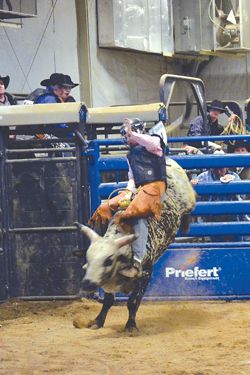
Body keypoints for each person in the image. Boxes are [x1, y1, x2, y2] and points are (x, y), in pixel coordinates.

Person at [89, 118, 167, 277]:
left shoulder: (154, 143)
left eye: (128, 135)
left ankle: (138, 260)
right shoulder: (130, 155)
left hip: (155, 187)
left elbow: (152, 143)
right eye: (125, 135)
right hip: (139, 189)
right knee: (104, 209)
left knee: (137, 215)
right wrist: (128, 193)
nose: (127, 138)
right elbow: (132, 177)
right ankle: (100, 250)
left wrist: (134, 134)